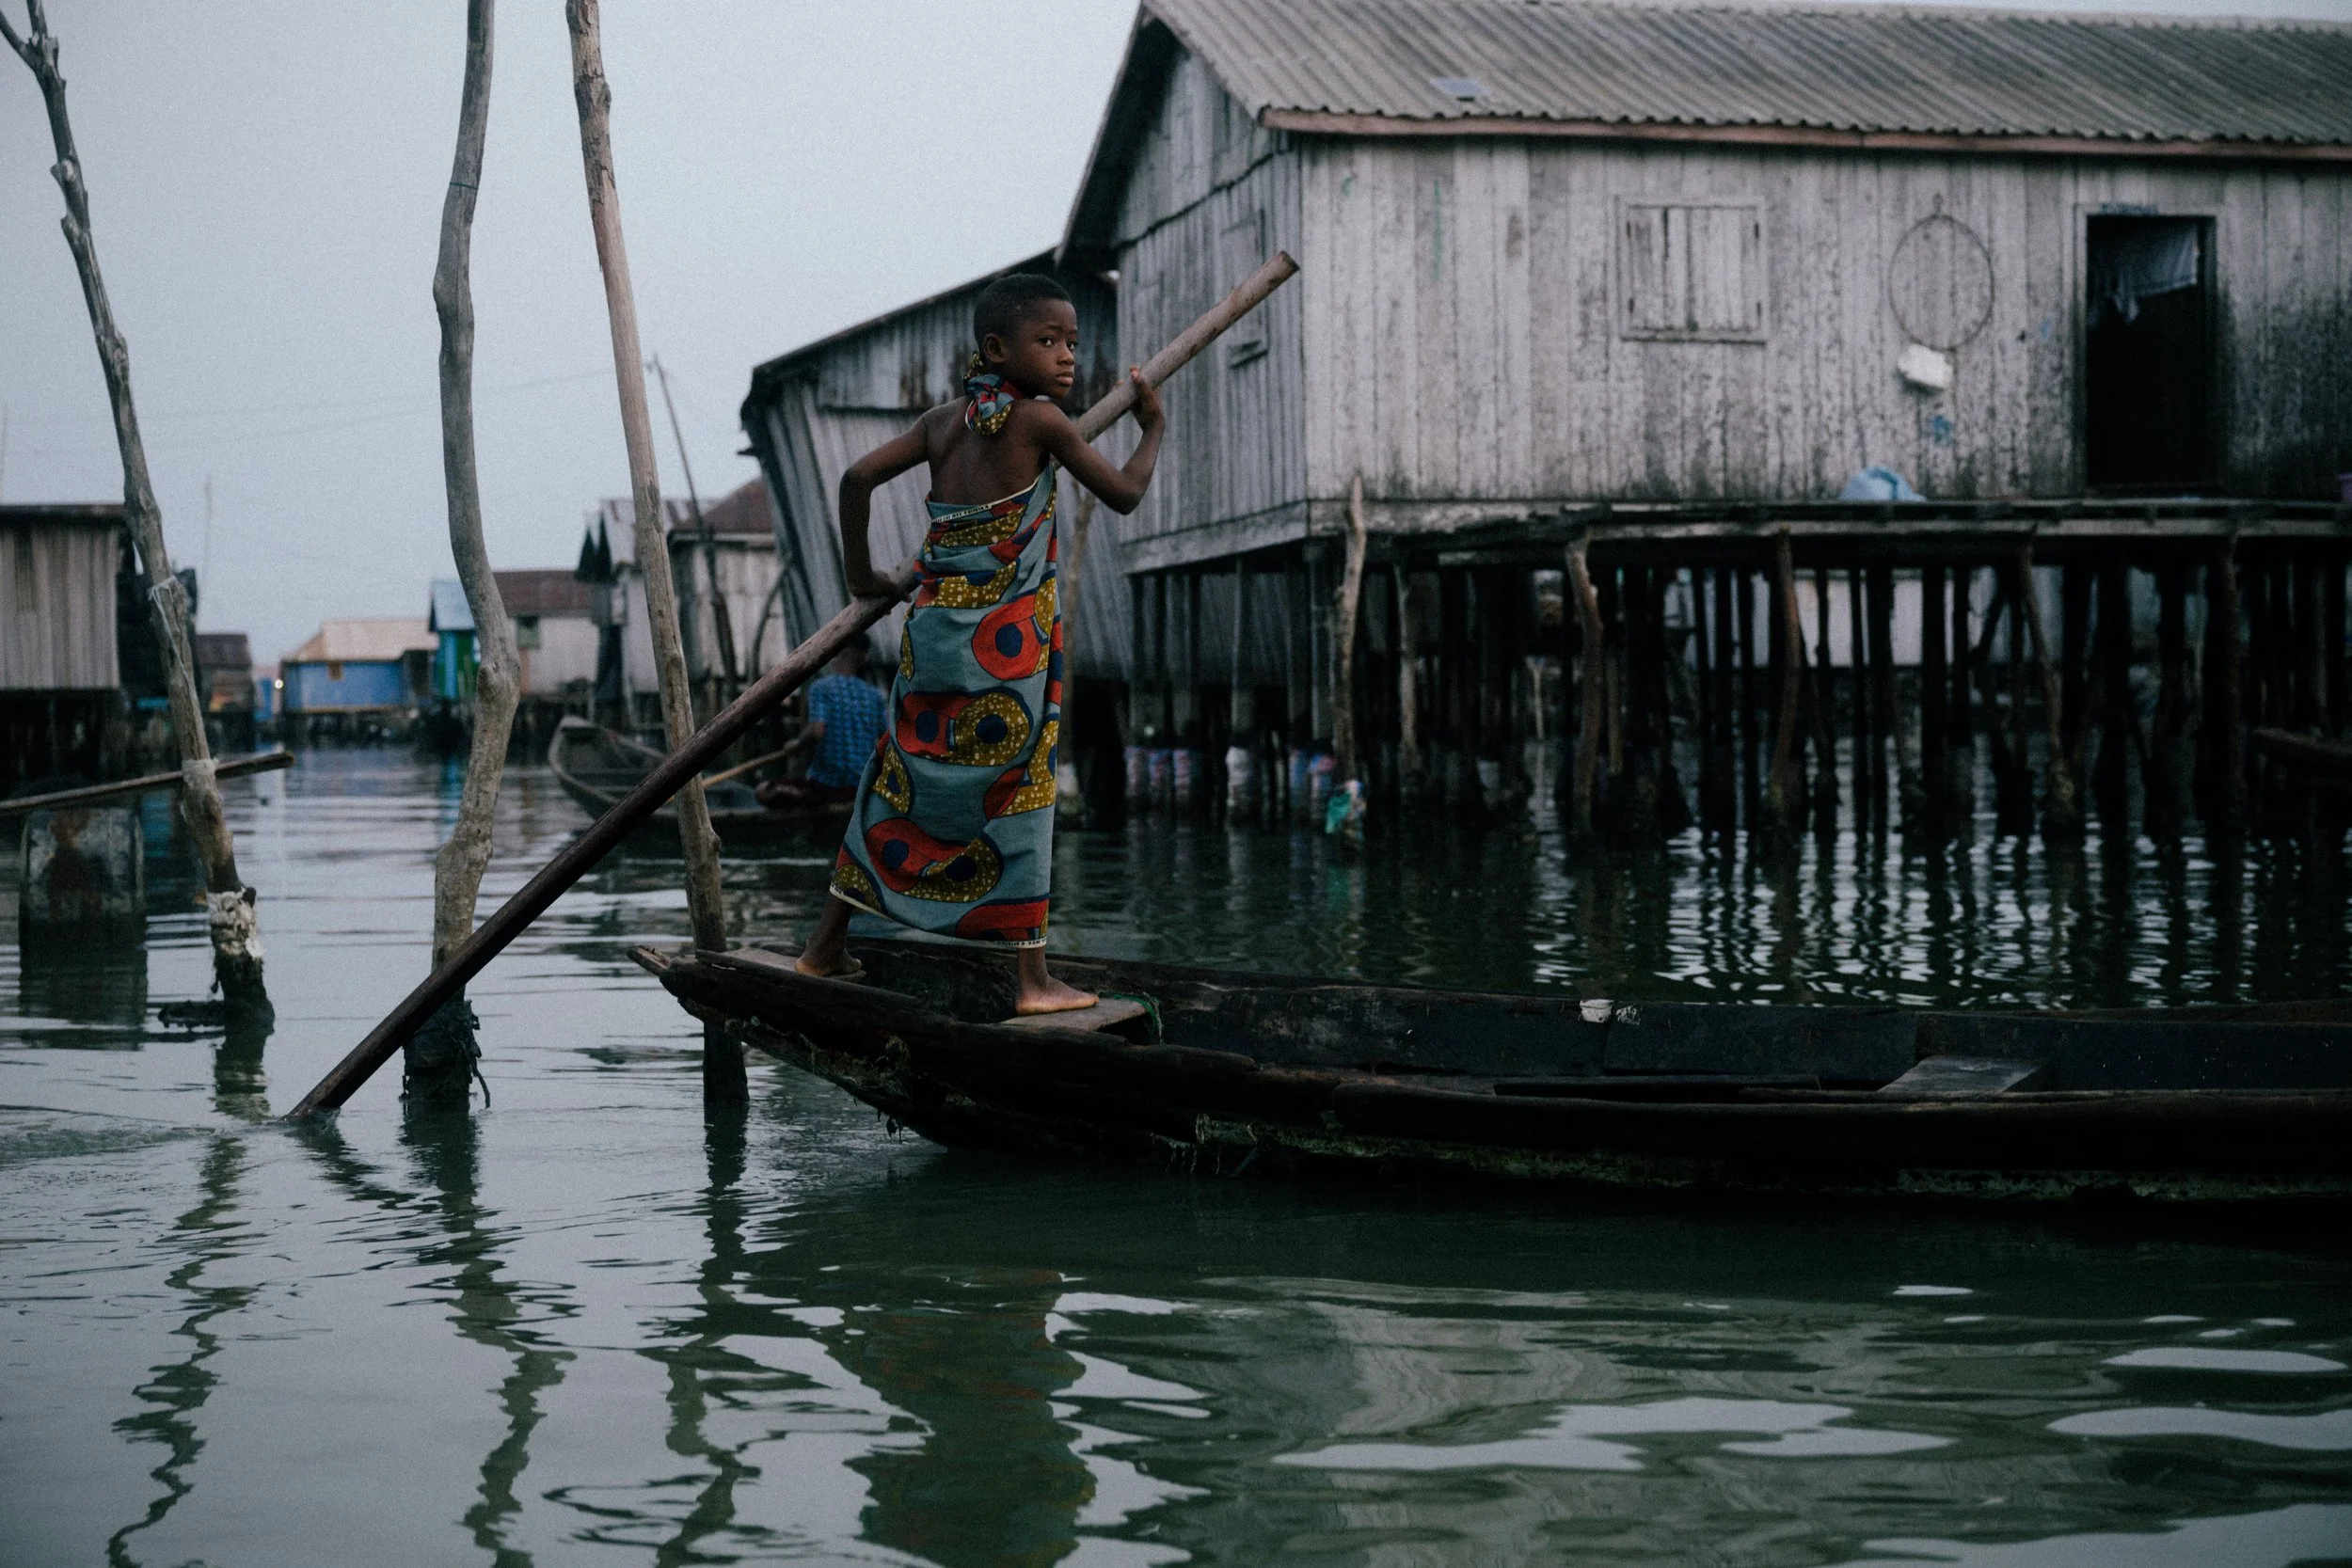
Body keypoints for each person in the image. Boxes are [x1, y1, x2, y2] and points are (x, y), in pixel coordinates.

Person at [796, 273, 1164, 1014]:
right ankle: (1031, 981)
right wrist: (1153, 428)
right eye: (1049, 341)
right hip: (1005, 647)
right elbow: (1124, 494)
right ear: (998, 348)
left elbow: (855, 478)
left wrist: (864, 576)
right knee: (1020, 788)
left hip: (931, 633)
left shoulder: (941, 422)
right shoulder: (1042, 423)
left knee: (898, 779)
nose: (1066, 357)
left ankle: (823, 949)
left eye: (1072, 343)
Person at [756, 642, 885, 810]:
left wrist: (797, 744)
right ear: (861, 662)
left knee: (763, 790)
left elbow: (817, 730)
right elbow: (886, 737)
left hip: (827, 788)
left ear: (837, 656)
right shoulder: (875, 696)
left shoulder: (822, 688)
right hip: (862, 787)